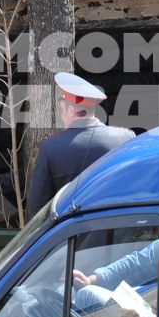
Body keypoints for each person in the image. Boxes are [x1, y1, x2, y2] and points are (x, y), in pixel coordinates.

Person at [24, 71, 134, 215]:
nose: (62, 116)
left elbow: (36, 207)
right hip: (118, 232)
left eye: (62, 111)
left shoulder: (51, 148)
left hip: (74, 234)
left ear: (71, 110)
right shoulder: (125, 138)